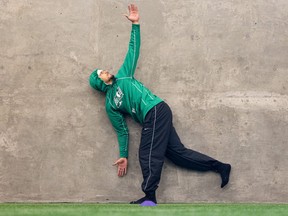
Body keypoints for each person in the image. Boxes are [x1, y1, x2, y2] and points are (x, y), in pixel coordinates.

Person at [89, 4, 231, 205]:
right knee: (177, 155)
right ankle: (220, 167)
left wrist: (136, 24)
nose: (105, 71)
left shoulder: (124, 75)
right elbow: (122, 131)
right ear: (99, 82)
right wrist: (123, 155)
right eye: (100, 72)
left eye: (103, 70)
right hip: (155, 116)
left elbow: (133, 49)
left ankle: (149, 196)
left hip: (155, 110)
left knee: (147, 153)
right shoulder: (110, 105)